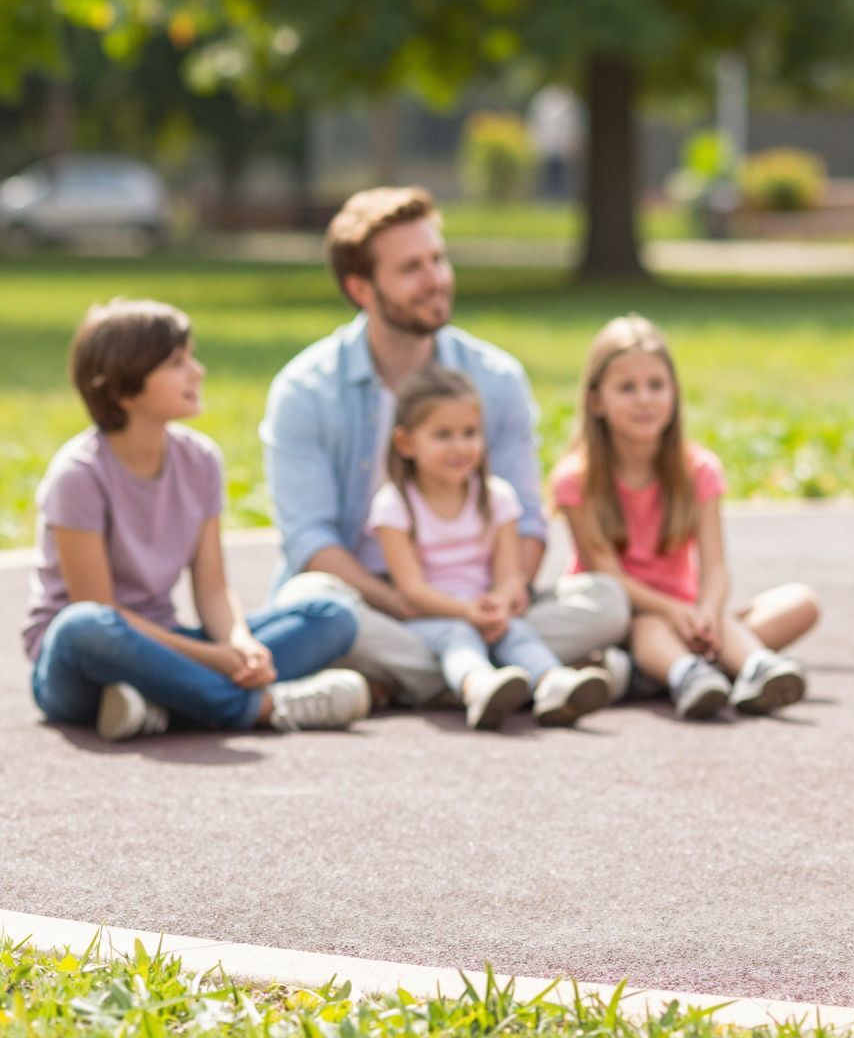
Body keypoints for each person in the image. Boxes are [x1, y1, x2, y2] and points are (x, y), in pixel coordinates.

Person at [264, 187, 629, 707]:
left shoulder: (496, 378)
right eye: (411, 267)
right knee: (310, 603)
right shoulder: (304, 391)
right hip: (374, 600)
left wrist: (503, 597)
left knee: (607, 601)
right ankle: (498, 672)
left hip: (479, 597)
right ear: (361, 287)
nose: (435, 279)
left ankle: (429, 678)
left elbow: (525, 519)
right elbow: (310, 542)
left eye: (438, 259)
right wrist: (403, 602)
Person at [25, 300, 369, 739]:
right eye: (176, 363)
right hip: (83, 666)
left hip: (170, 642)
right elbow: (100, 608)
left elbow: (212, 589)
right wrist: (214, 659)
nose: (197, 372)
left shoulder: (202, 460)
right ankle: (264, 706)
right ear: (124, 390)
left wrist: (238, 643)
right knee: (83, 625)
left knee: (334, 615)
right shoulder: (77, 475)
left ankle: (158, 705)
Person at [552, 315, 817, 721]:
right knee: (650, 627)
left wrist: (708, 611)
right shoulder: (576, 480)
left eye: (656, 385)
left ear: (674, 392)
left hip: (689, 616)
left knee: (800, 604)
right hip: (627, 619)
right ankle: (689, 671)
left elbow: (714, 565)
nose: (644, 399)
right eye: (627, 388)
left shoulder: (699, 470)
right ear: (595, 401)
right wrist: (676, 611)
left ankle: (749, 669)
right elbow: (608, 575)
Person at [370, 367, 612, 729]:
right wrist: (467, 611)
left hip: (487, 613)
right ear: (405, 443)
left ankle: (553, 684)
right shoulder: (394, 505)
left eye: (470, 433)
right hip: (431, 618)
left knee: (517, 631)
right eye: (443, 435)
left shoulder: (497, 497)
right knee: (458, 636)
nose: (460, 447)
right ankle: (479, 686)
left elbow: (509, 573)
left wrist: (499, 602)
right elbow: (411, 589)